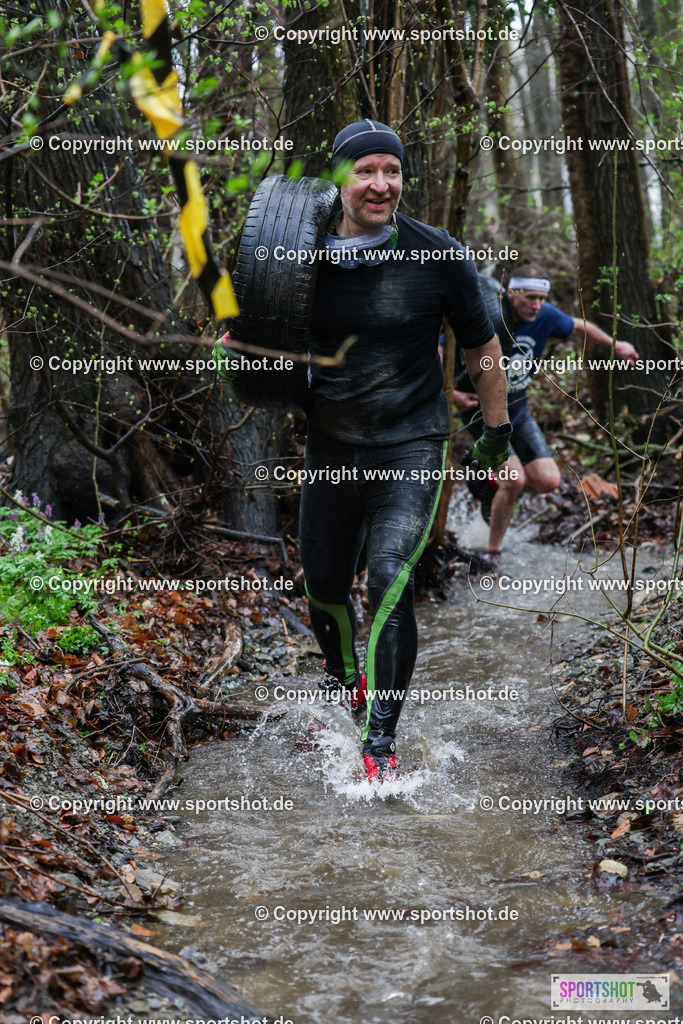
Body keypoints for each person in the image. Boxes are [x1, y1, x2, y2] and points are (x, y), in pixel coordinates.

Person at [298, 119, 511, 783]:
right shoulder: (297, 249)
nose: (381, 184)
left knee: (390, 574)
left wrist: (496, 431)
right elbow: (255, 331)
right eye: (366, 171)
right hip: (331, 442)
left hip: (412, 445)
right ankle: (346, 683)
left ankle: (379, 744)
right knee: (324, 586)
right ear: (339, 177)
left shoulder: (437, 253)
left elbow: (480, 347)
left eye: (391, 171)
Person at [452, 264, 639, 559]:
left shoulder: (546, 314)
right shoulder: (489, 314)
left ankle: (490, 485)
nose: (536, 305)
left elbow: (580, 326)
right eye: (530, 298)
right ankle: (492, 553)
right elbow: (440, 346)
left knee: (547, 480)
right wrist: (451, 393)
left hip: (519, 409)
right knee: (515, 480)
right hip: (482, 410)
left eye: (541, 297)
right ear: (511, 293)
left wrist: (616, 346)